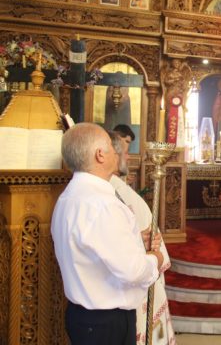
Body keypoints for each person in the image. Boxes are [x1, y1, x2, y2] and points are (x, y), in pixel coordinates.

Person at [51, 123, 163, 345]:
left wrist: (134, 241)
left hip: (82, 317)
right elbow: (133, 271)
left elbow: (90, 246)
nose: (117, 152)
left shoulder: (69, 196)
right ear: (100, 155)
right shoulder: (103, 205)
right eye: (112, 148)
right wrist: (155, 259)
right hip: (107, 323)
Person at [109, 129, 175, 345]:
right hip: (132, 284)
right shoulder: (113, 193)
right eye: (125, 152)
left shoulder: (115, 190)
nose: (129, 157)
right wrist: (153, 256)